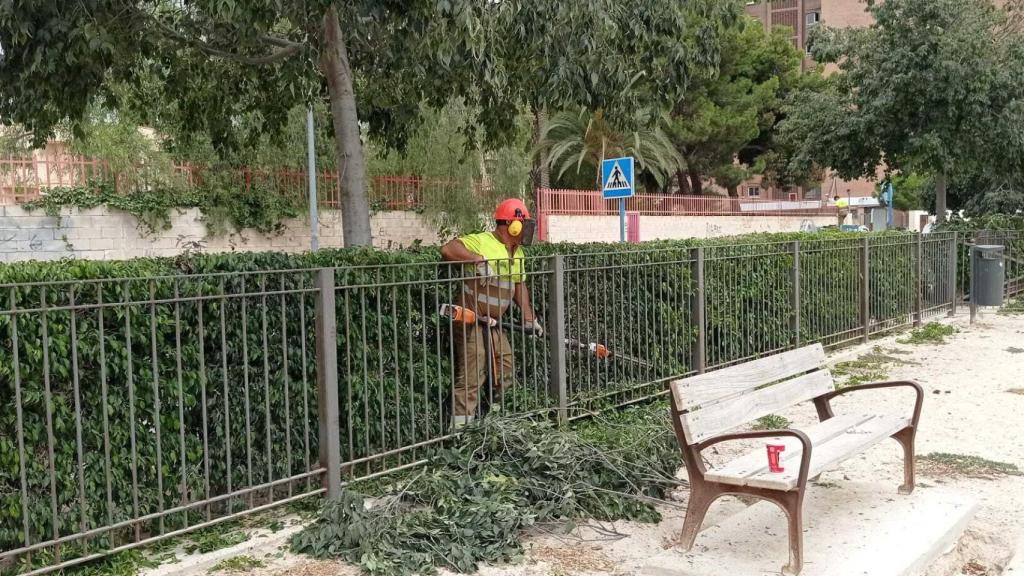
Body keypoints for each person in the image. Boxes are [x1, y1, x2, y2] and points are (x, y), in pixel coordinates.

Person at [439, 198, 542, 427]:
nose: (527, 230)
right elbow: (448, 249)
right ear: (512, 225)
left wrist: (529, 318)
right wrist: (478, 260)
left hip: (494, 322)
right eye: (524, 224)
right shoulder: (482, 241)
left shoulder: (517, 253)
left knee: (505, 366)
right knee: (473, 373)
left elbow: (519, 285)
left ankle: (499, 422)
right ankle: (460, 432)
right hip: (470, 319)